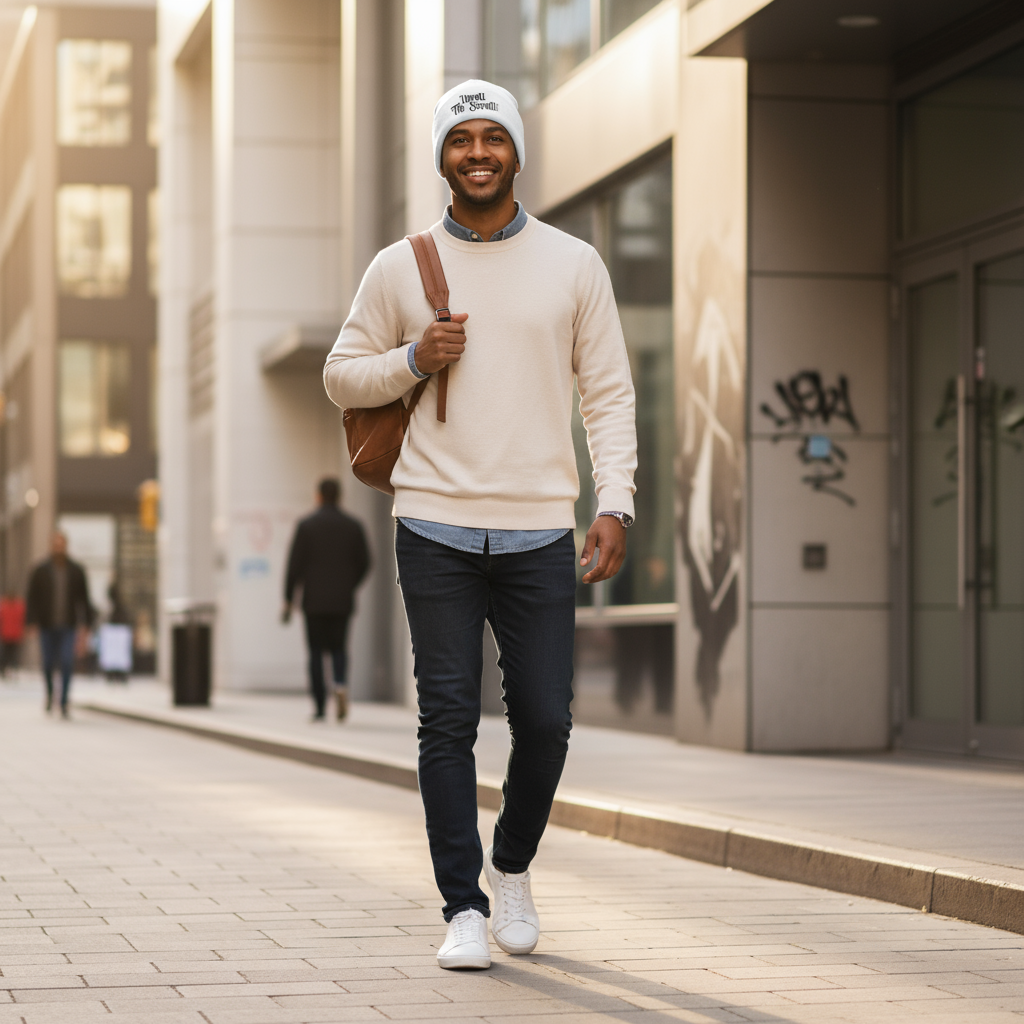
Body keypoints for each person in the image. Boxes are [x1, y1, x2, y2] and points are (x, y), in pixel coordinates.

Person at [324, 79, 637, 970]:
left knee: (545, 721)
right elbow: (341, 376)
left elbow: (609, 394)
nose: (478, 153)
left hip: (540, 527)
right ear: (442, 156)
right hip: (435, 524)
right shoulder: (400, 266)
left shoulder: (574, 263)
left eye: (492, 137)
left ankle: (513, 866)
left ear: (515, 151)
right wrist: (412, 358)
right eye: (461, 140)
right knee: (447, 721)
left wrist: (615, 501)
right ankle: (462, 906)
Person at [283, 478, 370, 722]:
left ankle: (320, 706)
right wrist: (349, 585)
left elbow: (294, 566)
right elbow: (365, 562)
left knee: (315, 652)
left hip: (313, 601)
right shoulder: (353, 526)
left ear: (318, 496)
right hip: (342, 601)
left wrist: (288, 599)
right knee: (339, 648)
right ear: (339, 496)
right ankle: (340, 684)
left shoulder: (306, 526)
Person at [25, 532, 94, 717]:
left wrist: (86, 625)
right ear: (51, 546)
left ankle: (63, 701)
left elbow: (84, 599)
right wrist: (31, 622)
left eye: (61, 545)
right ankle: (49, 694)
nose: (58, 548)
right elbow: (32, 597)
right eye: (55, 545)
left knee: (66, 661)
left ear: (66, 546)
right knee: (48, 663)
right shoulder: (40, 570)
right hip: (46, 625)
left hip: (68, 626)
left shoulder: (76, 570)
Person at [0, 592, 25, 676]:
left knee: (6, 653)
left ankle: (5, 668)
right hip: (14, 635)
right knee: (13, 654)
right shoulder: (19, 607)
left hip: (7, 634)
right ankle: (12, 668)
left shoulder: (4, 607)